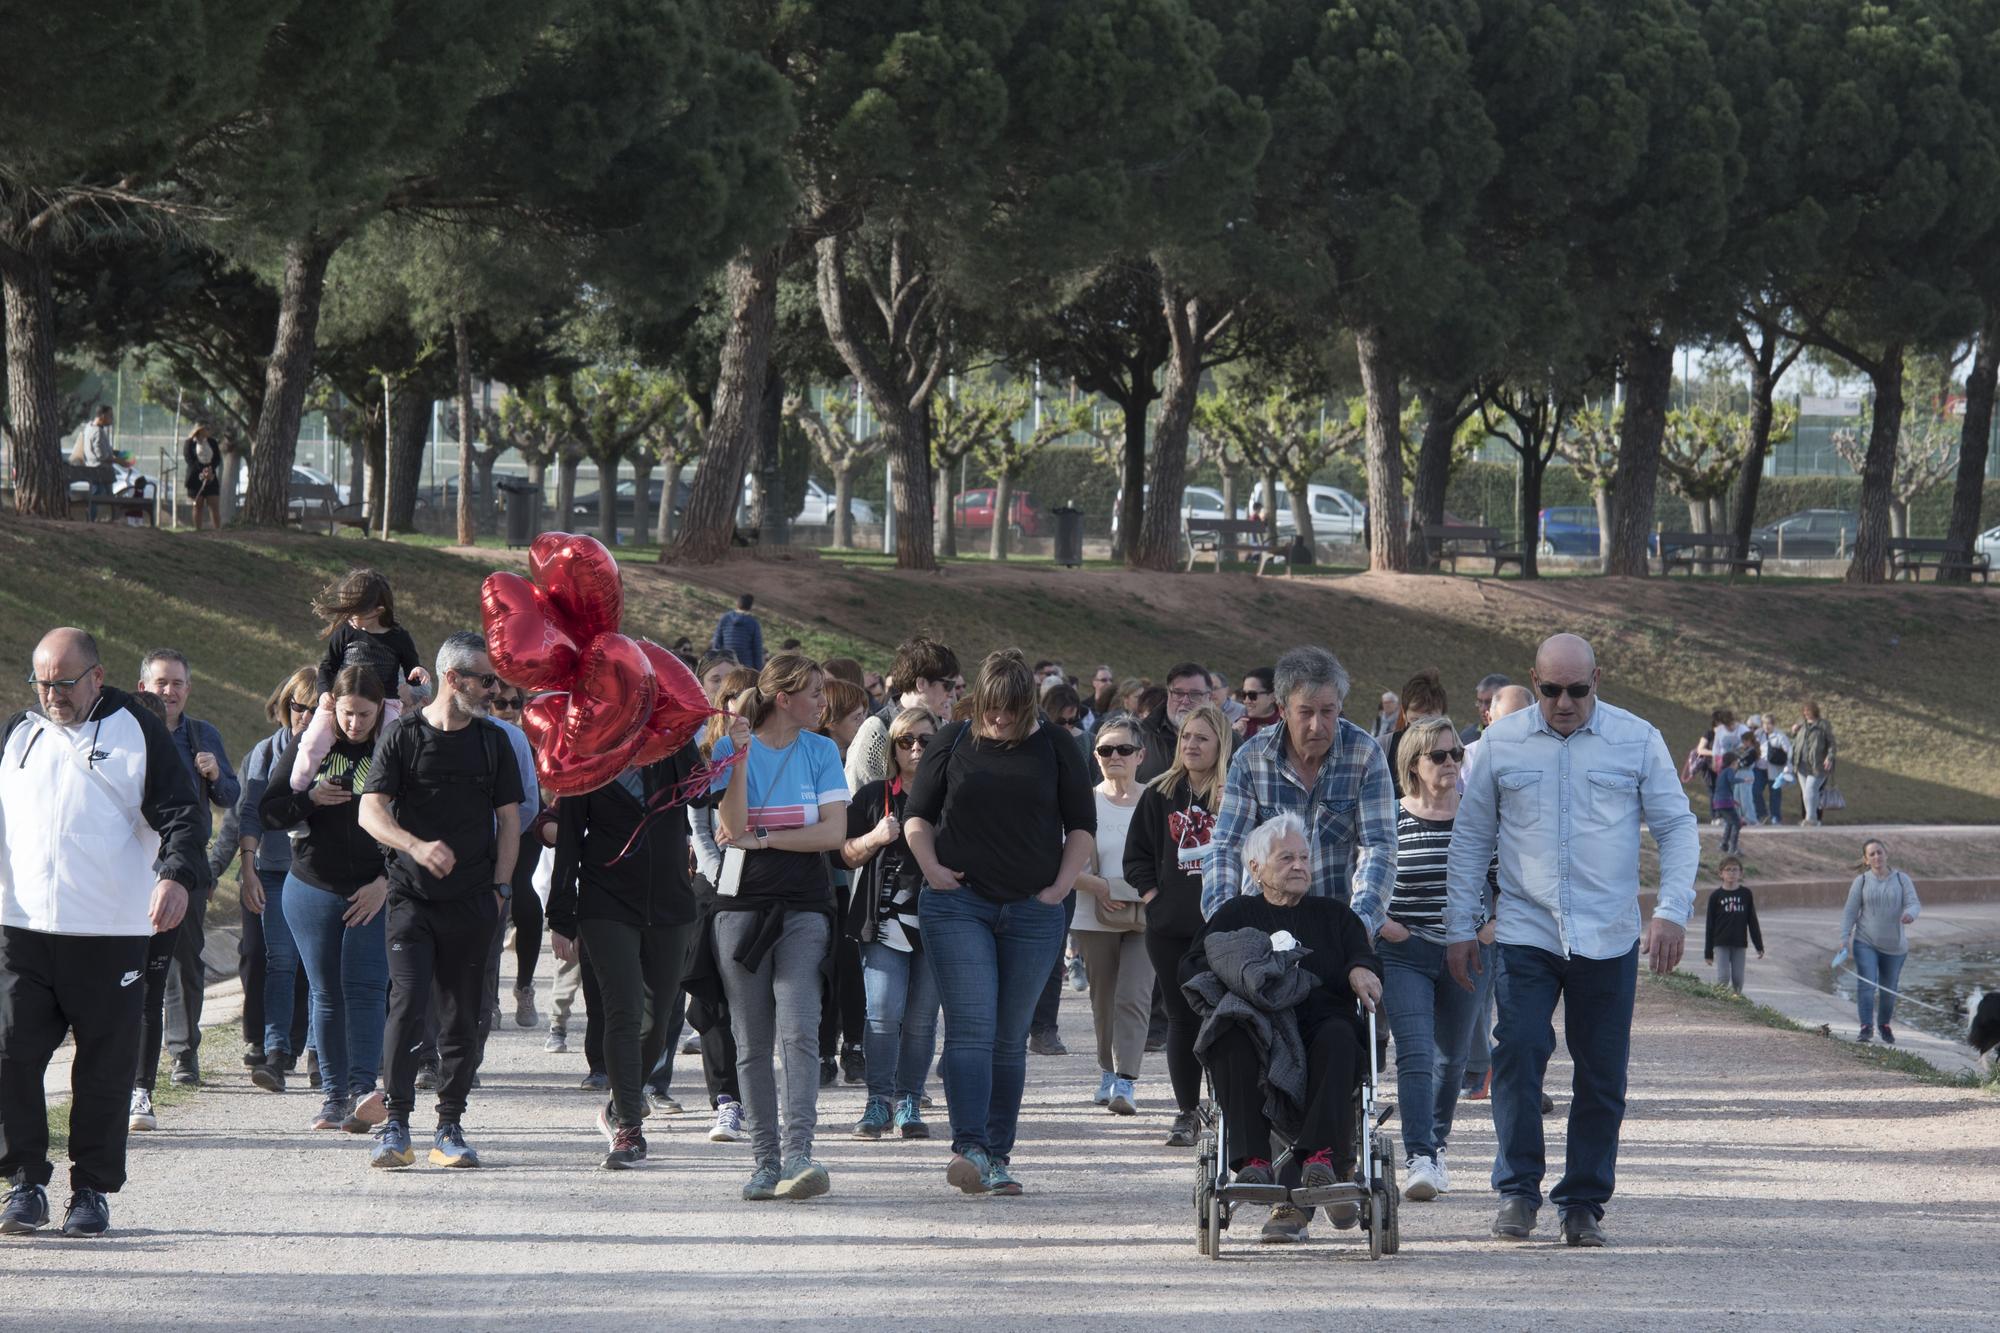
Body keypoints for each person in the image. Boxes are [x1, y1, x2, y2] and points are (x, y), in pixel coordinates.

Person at [1445, 633, 1697, 1248]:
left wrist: (1671, 911)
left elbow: (1677, 826)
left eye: (1577, 690)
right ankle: (1517, 1191)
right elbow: (1472, 838)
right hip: (1527, 927)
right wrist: (1459, 926)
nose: (1563, 702)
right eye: (1551, 689)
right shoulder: (1501, 744)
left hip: (1607, 935)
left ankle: (1583, 1201)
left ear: (1597, 680)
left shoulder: (1637, 739)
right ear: (1534, 681)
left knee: (1602, 1073)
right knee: (1518, 1050)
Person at [0, 628, 203, 1237]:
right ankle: (25, 1184)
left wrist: (175, 876)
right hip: (22, 927)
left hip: (111, 932)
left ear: (96, 676)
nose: (51, 694)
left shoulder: (136, 730)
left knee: (104, 1070)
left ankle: (89, 1190)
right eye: (41, 681)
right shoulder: (17, 734)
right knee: (9, 1058)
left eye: (64, 682)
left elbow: (183, 814)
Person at [904, 649, 1095, 1197]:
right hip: (959, 903)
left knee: (1010, 1038)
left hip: (1034, 909)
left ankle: (998, 1152)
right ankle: (969, 1148)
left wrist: (1059, 889)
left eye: (1011, 710)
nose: (1000, 720)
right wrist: (932, 868)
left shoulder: (1058, 745)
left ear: (1028, 705)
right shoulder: (953, 741)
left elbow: (1080, 824)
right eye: (992, 708)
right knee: (970, 1027)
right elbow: (917, 815)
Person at [357, 631, 522, 1171]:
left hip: (474, 900)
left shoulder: (493, 741)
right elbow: (370, 812)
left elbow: (509, 822)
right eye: (485, 679)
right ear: (452, 678)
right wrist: (415, 845)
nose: (493, 689)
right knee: (407, 1005)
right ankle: (396, 1124)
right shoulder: (403, 736)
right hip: (411, 898)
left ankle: (449, 1124)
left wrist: (501, 888)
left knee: (463, 1015)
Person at [1183, 813, 1383, 1245]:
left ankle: (1321, 1157)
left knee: (1339, 1036)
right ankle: (1253, 1160)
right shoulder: (1235, 915)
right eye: (1286, 857)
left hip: (1319, 1021)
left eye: (1304, 857)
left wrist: (1361, 970)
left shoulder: (1334, 916)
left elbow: (1361, 955)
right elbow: (1196, 964)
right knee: (1231, 1036)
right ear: (1254, 869)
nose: (1299, 866)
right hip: (1260, 1024)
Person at [548, 722, 725, 1170]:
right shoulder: (586, 749)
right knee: (624, 1010)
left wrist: (722, 751)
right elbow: (568, 838)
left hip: (670, 903)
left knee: (658, 1019)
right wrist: (561, 916)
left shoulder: (673, 746)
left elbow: (702, 798)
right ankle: (629, 1128)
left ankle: (618, 1104)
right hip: (605, 903)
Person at [709, 654, 850, 1201]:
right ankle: (764, 1162)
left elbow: (833, 834)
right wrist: (739, 757)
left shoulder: (821, 750)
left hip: (805, 906)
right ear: (784, 698)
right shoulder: (729, 748)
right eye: (815, 692)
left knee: (799, 1030)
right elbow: (731, 826)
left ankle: (798, 1156)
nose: (824, 702)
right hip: (740, 907)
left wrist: (766, 840)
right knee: (751, 1042)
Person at [1354, 715, 1490, 1203]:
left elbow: (1504, 876)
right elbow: (1366, 876)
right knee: (1415, 1051)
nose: (1452, 762)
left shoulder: (1478, 813)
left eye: (1457, 754)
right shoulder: (1390, 815)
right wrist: (1386, 926)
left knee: (1451, 1058)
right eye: (1440, 755)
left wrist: (1490, 927)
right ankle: (1419, 1157)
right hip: (1405, 952)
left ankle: (1438, 1141)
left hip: (1468, 951)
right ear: (1413, 764)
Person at [260, 666, 394, 1133]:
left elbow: (417, 821)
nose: (355, 724)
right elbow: (270, 810)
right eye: (347, 713)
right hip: (313, 884)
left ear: (380, 711)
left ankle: (363, 1092)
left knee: (367, 989)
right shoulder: (312, 745)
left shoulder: (394, 746)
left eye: (365, 714)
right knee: (326, 991)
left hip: (375, 888)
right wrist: (311, 798)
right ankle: (333, 1097)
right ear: (331, 707)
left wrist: (385, 881)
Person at [1204, 646, 1395, 922]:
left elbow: (1378, 847)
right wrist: (1221, 920)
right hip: (1263, 922)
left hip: (1337, 921)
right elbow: (1227, 845)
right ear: (1282, 710)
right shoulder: (1251, 758)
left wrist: (1360, 923)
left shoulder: (1365, 755)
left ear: (1339, 706)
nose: (1317, 725)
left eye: (1328, 711)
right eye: (1305, 712)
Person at [134, 648, 239, 1098]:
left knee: (184, 963)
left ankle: (183, 1052)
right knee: (131, 965)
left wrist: (215, 774)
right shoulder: (127, 732)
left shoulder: (202, 735)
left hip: (188, 868)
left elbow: (232, 796)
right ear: (144, 688)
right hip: (134, 865)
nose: (169, 691)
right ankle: (132, 1062)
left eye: (177, 683)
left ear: (188, 689)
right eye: (161, 683)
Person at [1127, 703, 1230, 1147]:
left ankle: (1229, 1105)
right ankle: (1187, 1111)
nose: (1190, 745)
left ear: (1221, 745)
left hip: (1223, 929)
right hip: (1170, 929)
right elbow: (1136, 857)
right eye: (1186, 737)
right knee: (1182, 1019)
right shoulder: (1159, 792)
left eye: (1201, 738)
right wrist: (1156, 900)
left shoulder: (1235, 794)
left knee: (1227, 1019)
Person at [841, 706, 940, 1141]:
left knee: (921, 1020)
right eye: (906, 741)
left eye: (926, 740)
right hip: (882, 921)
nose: (916, 748)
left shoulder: (953, 794)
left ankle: (909, 1100)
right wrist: (875, 837)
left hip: (939, 920)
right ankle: (878, 1101)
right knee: (882, 1013)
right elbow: (840, 853)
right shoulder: (873, 795)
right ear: (894, 748)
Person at [234, 668, 318, 1095]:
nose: (306, 715)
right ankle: (275, 1053)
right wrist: (246, 867)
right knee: (278, 963)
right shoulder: (266, 752)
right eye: (298, 706)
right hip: (273, 870)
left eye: (317, 707)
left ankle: (320, 1053)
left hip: (322, 873)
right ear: (286, 707)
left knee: (321, 968)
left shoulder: (335, 752)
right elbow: (248, 811)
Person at [1071, 717, 1153, 1116]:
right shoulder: (1084, 802)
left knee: (1134, 995)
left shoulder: (1156, 800)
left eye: (1123, 750)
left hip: (1148, 912)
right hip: (1093, 913)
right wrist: (1099, 887)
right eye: (1106, 750)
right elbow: (1063, 861)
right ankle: (1107, 1069)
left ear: (1141, 755)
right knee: (1103, 999)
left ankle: (1126, 1080)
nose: (1114, 757)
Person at [1459, 683, 1534, 1100]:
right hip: (1487, 889)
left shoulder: (1547, 759)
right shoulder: (1468, 761)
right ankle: (1479, 1066)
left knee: (1526, 996)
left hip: (1532, 890)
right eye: (1504, 720)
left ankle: (1523, 1076)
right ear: (1488, 717)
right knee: (1478, 984)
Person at [292, 569, 428, 793]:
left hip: (385, 704)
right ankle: (298, 788)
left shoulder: (398, 637)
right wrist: (325, 692)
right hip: (340, 702)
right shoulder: (346, 632)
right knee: (313, 740)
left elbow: (412, 666)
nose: (350, 619)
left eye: (356, 614)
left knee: (392, 747)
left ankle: (387, 797)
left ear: (378, 611)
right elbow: (327, 666)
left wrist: (418, 673)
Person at [814, 677, 871, 1086]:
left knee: (849, 965)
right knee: (824, 966)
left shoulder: (853, 755)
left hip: (849, 877)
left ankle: (852, 1044)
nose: (862, 722)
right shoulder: (821, 755)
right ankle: (822, 1048)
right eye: (856, 716)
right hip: (823, 878)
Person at [489, 687, 545, 1026]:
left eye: (516, 703)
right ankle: (489, 996)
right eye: (501, 702)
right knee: (490, 910)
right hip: (484, 831)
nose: (508, 709)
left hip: (524, 826)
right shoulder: (477, 734)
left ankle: (525, 986)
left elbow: (536, 794)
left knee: (523, 898)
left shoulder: (528, 740)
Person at [1840, 839, 1921, 1044]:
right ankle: (1866, 1027)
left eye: (1879, 852)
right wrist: (1844, 936)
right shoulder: (1862, 881)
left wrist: (1910, 914)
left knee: (1888, 989)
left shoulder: (1902, 879)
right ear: (1866, 860)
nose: (1877, 857)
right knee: (1867, 984)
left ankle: (1884, 1024)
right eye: (1872, 854)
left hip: (1895, 946)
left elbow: (1914, 903)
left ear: (1886, 854)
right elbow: (1850, 911)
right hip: (1865, 941)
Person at [1133, 662, 1212, 782]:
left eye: (1195, 694)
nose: (1185, 701)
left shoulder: (1228, 740)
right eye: (1178, 693)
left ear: (1209, 697)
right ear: (1169, 694)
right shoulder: (1138, 736)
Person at [1702, 856, 1764, 995]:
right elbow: (1710, 925)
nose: (1731, 873)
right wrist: (1708, 952)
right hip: (1721, 943)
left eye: (1735, 870)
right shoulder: (1716, 896)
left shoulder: (1746, 894)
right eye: (1728, 870)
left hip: (1739, 943)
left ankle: (1736, 1005)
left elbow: (1752, 921)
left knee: (1738, 979)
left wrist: (1759, 945)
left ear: (1741, 873)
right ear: (1721, 873)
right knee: (1723, 977)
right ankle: (1720, 1003)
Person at [1387, 668, 1448, 798]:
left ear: (1443, 716)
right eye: (1416, 721)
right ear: (1404, 713)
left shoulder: (1454, 752)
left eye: (1431, 721)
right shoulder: (1383, 748)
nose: (1423, 729)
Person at [1793, 701, 1836, 826]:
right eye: (1804, 711)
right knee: (1809, 793)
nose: (1806, 713)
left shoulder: (1823, 725)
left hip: (1818, 765)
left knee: (1810, 790)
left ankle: (1810, 819)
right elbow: (1796, 743)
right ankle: (1814, 819)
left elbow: (1832, 743)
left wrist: (1829, 757)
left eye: (1808, 710)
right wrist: (1794, 732)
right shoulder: (1801, 725)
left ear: (1814, 711)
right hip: (1801, 764)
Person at [75, 407, 115, 521]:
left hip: (95, 470)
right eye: (110, 416)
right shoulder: (98, 431)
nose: (112, 419)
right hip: (101, 471)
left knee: (101, 494)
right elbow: (101, 456)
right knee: (100, 495)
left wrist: (114, 452)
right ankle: (94, 518)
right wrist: (119, 461)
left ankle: (95, 518)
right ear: (102, 416)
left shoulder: (89, 427)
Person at [711, 594, 766, 671]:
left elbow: (717, 641)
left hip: (727, 662)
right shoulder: (753, 623)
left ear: (737, 604)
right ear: (750, 607)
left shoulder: (725, 618)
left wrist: (715, 661)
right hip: (746, 666)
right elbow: (757, 649)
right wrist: (758, 669)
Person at [183, 425, 222, 532]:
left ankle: (218, 530)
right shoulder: (189, 443)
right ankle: (198, 531)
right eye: (207, 429)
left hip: (211, 476)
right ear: (199, 430)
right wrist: (202, 471)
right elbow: (189, 459)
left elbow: (217, 458)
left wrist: (210, 469)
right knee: (197, 506)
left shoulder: (212, 442)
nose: (209, 431)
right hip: (195, 477)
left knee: (214, 505)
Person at [1756, 716, 1790, 826]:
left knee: (1775, 794)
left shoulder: (1780, 736)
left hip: (1775, 770)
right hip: (1760, 768)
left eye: (1769, 723)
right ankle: (1762, 814)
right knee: (1755, 790)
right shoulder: (1758, 734)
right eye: (1764, 723)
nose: (1766, 726)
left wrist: (1787, 769)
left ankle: (1776, 818)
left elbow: (1789, 752)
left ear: (1773, 724)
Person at [1461, 674, 1512, 744]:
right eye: (1480, 702)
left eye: (1489, 702)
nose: (1482, 709)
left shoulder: (1522, 736)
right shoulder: (1468, 737)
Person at [1237, 667, 1280, 740]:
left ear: (1273, 697)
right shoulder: (1240, 727)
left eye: (1252, 695)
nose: (1246, 701)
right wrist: (1235, 738)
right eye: (1244, 695)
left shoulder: (1286, 725)